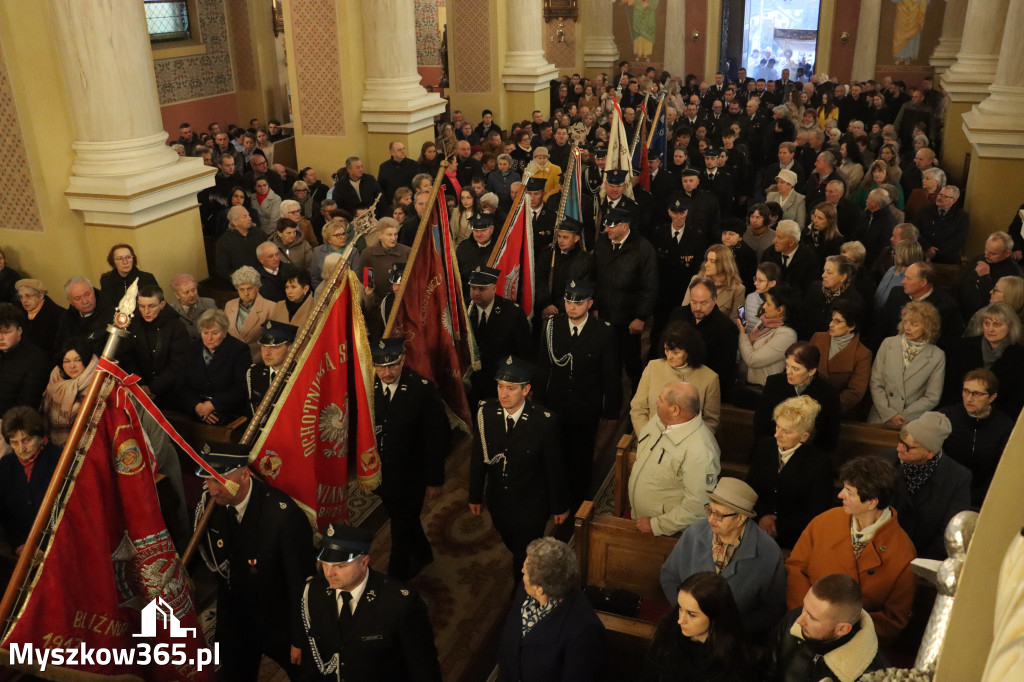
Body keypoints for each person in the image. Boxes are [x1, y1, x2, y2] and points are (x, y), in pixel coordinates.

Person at [194, 442, 313, 681]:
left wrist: (300, 639)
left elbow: (300, 583)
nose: (211, 488)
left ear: (245, 474)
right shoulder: (211, 504)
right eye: (207, 480)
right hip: (235, 615)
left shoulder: (283, 517)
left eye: (218, 480)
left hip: (277, 616)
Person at [786, 456, 917, 641]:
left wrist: (838, 628)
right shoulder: (824, 521)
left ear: (872, 502)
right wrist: (808, 617)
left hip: (855, 639)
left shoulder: (903, 552)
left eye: (849, 492)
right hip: (802, 626)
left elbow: (894, 618)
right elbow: (796, 569)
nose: (840, 495)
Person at [468, 356, 568, 582]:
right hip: (499, 501)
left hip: (531, 504)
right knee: (511, 541)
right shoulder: (486, 413)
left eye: (511, 389)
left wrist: (559, 506)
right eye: (500, 387)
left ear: (526, 390)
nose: (503, 394)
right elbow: (478, 457)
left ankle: (522, 590)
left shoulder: (543, 422)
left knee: (524, 554)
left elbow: (554, 468)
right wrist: (475, 495)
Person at [299, 524, 442, 682]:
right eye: (325, 563)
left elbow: (423, 667)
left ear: (364, 562)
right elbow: (314, 651)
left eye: (340, 566)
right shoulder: (315, 591)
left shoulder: (399, 604)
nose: (329, 573)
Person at [533, 281, 621, 510]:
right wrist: (539, 403)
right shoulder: (552, 326)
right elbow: (543, 367)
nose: (571, 307)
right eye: (568, 302)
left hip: (586, 407)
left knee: (581, 457)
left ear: (590, 304)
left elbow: (610, 374)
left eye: (578, 303)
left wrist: (611, 410)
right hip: (556, 404)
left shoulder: (603, 331)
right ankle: (555, 497)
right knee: (555, 454)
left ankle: (579, 501)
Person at [659, 479, 787, 636]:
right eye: (709, 510)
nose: (711, 519)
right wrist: (686, 614)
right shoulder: (695, 532)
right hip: (686, 630)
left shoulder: (768, 551)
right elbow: (669, 575)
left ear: (740, 518)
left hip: (736, 639)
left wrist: (733, 629)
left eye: (719, 514)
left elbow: (774, 608)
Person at [371, 338, 449, 581]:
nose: (387, 372)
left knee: (401, 525)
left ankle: (397, 576)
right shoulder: (368, 387)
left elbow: (437, 438)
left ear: (403, 360)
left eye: (393, 365)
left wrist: (434, 479)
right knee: (403, 518)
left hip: (412, 475)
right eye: (381, 367)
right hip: (382, 475)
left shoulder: (421, 390)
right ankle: (424, 553)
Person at [497, 538, 606, 682]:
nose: (522, 570)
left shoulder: (584, 633)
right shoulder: (526, 591)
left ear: (539, 589)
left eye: (525, 572)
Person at [628, 381, 721, 536]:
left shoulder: (701, 450)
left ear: (675, 410)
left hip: (664, 534)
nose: (656, 402)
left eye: (661, 400)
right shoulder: (660, 420)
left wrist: (657, 525)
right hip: (639, 520)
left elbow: (698, 509)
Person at [881, 412, 972, 560]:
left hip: (924, 557)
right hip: (881, 551)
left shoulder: (957, 478)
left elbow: (950, 531)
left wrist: (919, 563)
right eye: (900, 441)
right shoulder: (885, 460)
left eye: (908, 447)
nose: (899, 448)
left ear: (930, 453)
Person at [747, 396, 835, 549]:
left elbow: (817, 509)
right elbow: (750, 487)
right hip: (756, 529)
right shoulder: (764, 447)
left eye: (786, 432)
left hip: (794, 540)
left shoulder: (819, 463)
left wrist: (778, 525)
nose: (777, 435)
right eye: (777, 427)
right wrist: (761, 516)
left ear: (804, 437)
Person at [642, 572, 759, 682]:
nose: (680, 620)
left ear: (715, 617)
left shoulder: (732, 661)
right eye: (680, 608)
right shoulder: (667, 631)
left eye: (691, 614)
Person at [770, 574, 886, 682]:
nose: (799, 620)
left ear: (843, 629)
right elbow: (765, 673)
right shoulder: (792, 620)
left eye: (812, 618)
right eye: (804, 607)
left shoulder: (873, 675)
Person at [593, 204, 659, 391]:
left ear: (625, 226)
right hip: (605, 314)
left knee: (630, 361)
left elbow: (650, 286)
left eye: (612, 226)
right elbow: (596, 277)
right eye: (606, 225)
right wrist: (595, 306)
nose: (607, 229)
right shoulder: (603, 243)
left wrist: (640, 317)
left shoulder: (643, 248)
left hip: (628, 318)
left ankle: (637, 395)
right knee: (606, 358)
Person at [939, 368, 1013, 506]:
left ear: (992, 397)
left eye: (977, 394)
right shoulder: (945, 417)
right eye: (966, 391)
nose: (969, 398)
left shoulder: (1004, 426)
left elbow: (1001, 470)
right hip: (945, 494)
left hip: (984, 499)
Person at [632, 321, 721, 433]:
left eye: (675, 352)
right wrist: (646, 437)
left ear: (690, 351)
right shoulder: (653, 367)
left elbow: (710, 421)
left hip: (688, 446)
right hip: (650, 438)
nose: (669, 356)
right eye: (666, 350)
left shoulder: (709, 378)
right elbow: (638, 408)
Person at [869, 301, 946, 427]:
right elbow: (876, 382)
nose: (907, 328)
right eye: (905, 322)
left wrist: (904, 416)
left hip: (912, 421)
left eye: (914, 324)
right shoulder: (888, 344)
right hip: (881, 416)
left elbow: (932, 396)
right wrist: (889, 414)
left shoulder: (937, 356)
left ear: (928, 326)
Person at [753, 342, 841, 452]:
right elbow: (760, 424)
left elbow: (829, 435)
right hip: (771, 450)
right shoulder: (774, 383)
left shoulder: (828, 392)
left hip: (809, 455)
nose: (788, 372)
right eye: (787, 365)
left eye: (795, 369)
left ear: (811, 371)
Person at [943, 302, 1024, 419]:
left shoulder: (1020, 356)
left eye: (997, 324)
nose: (990, 329)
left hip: (998, 418)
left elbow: (1016, 399)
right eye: (987, 323)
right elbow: (951, 387)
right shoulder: (962, 348)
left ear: (1010, 327)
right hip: (959, 413)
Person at [466, 265, 532, 405]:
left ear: (494, 289)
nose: (476, 293)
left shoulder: (512, 313)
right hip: (470, 383)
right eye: (473, 288)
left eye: (482, 289)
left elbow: (524, 352)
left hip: (501, 383)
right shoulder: (464, 309)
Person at [0, 407, 62, 554]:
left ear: (40, 437)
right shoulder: (6, 466)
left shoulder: (60, 460)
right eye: (14, 442)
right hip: (21, 550)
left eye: (26, 440)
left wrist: (45, 547)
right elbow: (6, 516)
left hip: (58, 548)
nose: (21, 448)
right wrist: (18, 545)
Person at [670, 278, 739, 399]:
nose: (697, 308)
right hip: (674, 380)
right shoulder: (678, 315)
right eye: (694, 302)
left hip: (704, 388)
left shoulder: (726, 327)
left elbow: (723, 370)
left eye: (703, 303)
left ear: (714, 300)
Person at [179, 309, 251, 424]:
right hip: (196, 412)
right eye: (205, 333)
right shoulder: (192, 349)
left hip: (229, 414)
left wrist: (213, 405)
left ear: (224, 332)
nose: (209, 338)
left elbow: (241, 388)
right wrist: (198, 406)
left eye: (214, 333)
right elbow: (182, 385)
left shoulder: (239, 350)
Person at [125, 285, 189, 407]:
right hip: (140, 389)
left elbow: (178, 363)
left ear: (162, 305)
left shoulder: (176, 326)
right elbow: (129, 358)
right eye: (142, 306)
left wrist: (154, 388)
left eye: (152, 306)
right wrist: (141, 384)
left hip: (172, 392)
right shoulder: (133, 324)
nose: (146, 311)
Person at [810, 300, 873, 416]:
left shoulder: (862, 354)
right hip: (808, 402)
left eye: (837, 322)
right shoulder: (818, 338)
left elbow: (855, 392)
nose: (831, 325)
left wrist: (827, 406)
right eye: (832, 320)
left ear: (851, 326)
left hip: (836, 411)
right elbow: (805, 368)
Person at [735, 284, 798, 389]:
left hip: (763, 388)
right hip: (746, 382)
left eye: (768, 304)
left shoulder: (787, 335)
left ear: (780, 310)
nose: (763, 307)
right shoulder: (764, 321)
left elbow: (753, 359)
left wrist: (742, 334)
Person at [955, 231, 1023, 321]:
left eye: (993, 253)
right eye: (986, 250)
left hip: (987, 320)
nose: (986, 255)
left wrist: (984, 277)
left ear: (1007, 254)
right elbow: (960, 284)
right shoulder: (979, 258)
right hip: (962, 313)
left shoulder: (1014, 274)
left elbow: (1002, 304)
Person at [42, 338, 97, 445]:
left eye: (78, 360)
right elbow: (43, 420)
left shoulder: (98, 384)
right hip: (55, 449)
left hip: (88, 450)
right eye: (66, 361)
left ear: (86, 360)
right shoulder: (54, 383)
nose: (72, 366)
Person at [0, 303, 49, 419]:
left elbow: (27, 407)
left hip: (13, 425)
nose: (1, 337)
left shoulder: (36, 360)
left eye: (6, 332)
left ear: (19, 330)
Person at [225, 265, 276, 363]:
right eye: (241, 289)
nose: (246, 293)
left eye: (249, 289)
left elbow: (272, 342)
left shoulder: (271, 307)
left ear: (257, 287)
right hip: (233, 360)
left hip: (258, 360)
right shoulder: (229, 305)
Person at [681, 245, 745, 321]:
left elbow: (738, 321)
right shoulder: (695, 279)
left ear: (724, 264)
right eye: (707, 260)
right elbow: (684, 310)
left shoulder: (738, 289)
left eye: (712, 261)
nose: (706, 265)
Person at [246, 320, 295, 416]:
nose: (267, 353)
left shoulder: (298, 374)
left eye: (275, 347)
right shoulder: (254, 372)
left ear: (290, 348)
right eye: (264, 346)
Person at [760, 220, 821, 293]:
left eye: (779, 237)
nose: (774, 241)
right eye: (775, 236)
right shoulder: (768, 254)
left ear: (791, 242)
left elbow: (808, 291)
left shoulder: (810, 259)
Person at [917, 185, 970, 264]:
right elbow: (915, 230)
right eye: (940, 194)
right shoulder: (925, 210)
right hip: (923, 253)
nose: (940, 198)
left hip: (947, 258)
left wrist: (936, 252)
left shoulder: (962, 216)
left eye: (945, 196)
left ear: (954, 200)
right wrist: (927, 248)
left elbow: (959, 239)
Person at [15, 278, 64, 354]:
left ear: (40, 296)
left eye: (28, 296)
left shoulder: (58, 315)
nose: (24, 300)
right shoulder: (18, 313)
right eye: (21, 297)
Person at [168, 273, 216, 341]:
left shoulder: (209, 304)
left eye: (193, 290)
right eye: (186, 292)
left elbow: (218, 328)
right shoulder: (171, 310)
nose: (192, 295)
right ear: (177, 295)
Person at [743, 263, 781, 333]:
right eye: (755, 279)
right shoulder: (750, 298)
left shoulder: (778, 303)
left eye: (760, 280)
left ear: (772, 283)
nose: (755, 283)